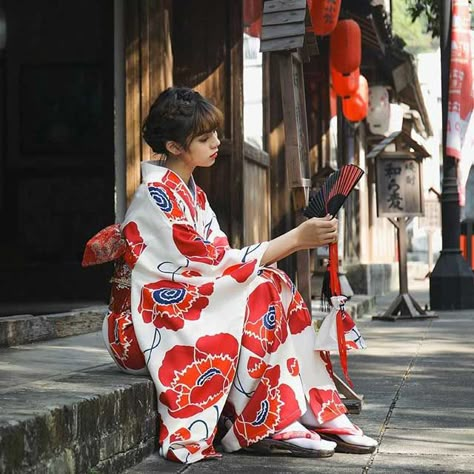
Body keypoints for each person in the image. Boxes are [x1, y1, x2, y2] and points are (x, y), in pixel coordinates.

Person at [91, 86, 377, 464]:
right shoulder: (155, 195)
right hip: (144, 324)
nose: (217, 143)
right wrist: (293, 240)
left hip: (182, 302)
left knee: (273, 282)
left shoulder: (194, 194)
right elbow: (212, 265)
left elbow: (221, 262)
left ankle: (313, 407)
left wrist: (288, 246)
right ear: (175, 147)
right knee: (259, 289)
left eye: (215, 135)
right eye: (205, 138)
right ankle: (268, 420)